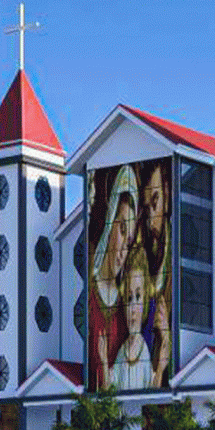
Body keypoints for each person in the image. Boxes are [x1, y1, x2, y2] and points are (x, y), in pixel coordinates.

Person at [89, 165, 139, 389]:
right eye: (121, 229)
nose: (122, 251)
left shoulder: (124, 305)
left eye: (129, 242)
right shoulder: (89, 292)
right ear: (109, 222)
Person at [139, 159, 172, 387]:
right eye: (146, 208)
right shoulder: (140, 260)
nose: (151, 217)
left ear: (168, 195)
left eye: (156, 201)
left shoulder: (174, 263)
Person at [110, 244, 153, 390]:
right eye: (129, 298)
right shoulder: (121, 352)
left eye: (138, 297)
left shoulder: (145, 353)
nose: (132, 308)